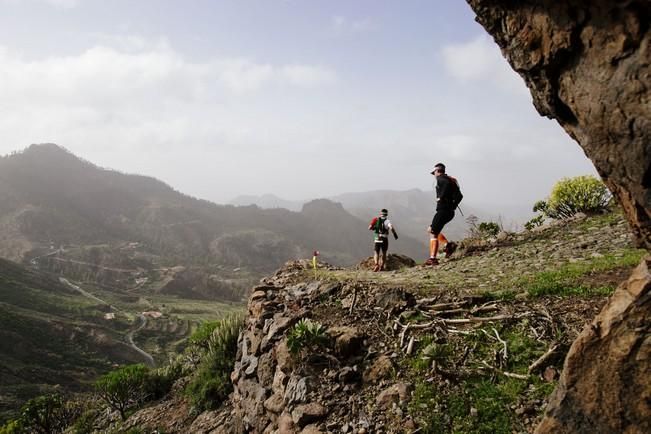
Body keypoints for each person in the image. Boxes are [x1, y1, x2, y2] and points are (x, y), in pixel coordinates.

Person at [426, 163, 460, 265]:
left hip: (443, 210)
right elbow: (460, 196)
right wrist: (453, 206)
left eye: (434, 173)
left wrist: (440, 196)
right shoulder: (452, 180)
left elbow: (445, 185)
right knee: (432, 229)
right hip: (450, 212)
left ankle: (433, 259)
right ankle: (447, 245)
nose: (434, 175)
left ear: (437, 171)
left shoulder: (441, 179)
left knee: (432, 231)